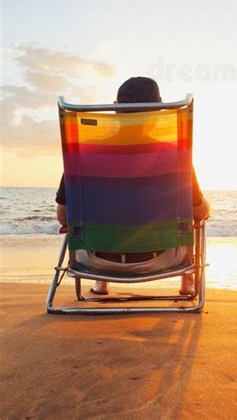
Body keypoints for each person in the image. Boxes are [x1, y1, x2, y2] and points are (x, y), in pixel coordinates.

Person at [56, 76, 210, 296]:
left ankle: (102, 282)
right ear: (157, 114)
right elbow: (197, 211)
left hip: (94, 261)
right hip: (163, 260)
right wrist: (206, 208)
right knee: (193, 217)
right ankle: (187, 282)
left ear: (116, 109)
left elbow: (63, 216)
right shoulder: (175, 156)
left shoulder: (84, 156)